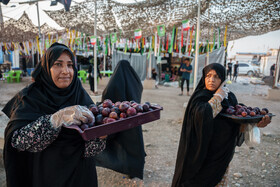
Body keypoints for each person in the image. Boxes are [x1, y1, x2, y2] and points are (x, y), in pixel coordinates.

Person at [2, 43, 106, 187]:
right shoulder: (30, 98)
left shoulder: (79, 95)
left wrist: (100, 136)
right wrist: (55, 120)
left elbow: (89, 150)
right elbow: (18, 142)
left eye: (70, 65)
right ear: (47, 67)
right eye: (58, 64)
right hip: (45, 175)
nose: (65, 71)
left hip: (80, 175)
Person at [171, 63, 271, 187]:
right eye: (208, 76)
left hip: (221, 156)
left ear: (222, 79)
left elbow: (236, 123)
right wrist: (218, 97)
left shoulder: (230, 98)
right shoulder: (199, 97)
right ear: (204, 78)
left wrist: (254, 124)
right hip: (199, 155)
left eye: (216, 77)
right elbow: (202, 115)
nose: (211, 80)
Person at [94, 60, 146, 179]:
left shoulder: (114, 82)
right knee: (134, 145)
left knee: (121, 146)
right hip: (133, 120)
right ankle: (134, 170)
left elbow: (107, 99)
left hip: (118, 120)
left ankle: (126, 167)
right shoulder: (136, 82)